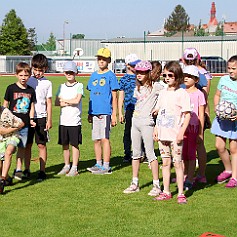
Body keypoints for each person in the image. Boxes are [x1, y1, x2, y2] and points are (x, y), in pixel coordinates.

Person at [123, 60, 164, 196]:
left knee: (151, 154)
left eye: (142, 72)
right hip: (135, 122)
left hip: (147, 123)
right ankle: (135, 183)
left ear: (148, 73)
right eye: (137, 72)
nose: (139, 75)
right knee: (135, 154)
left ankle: (156, 185)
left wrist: (158, 108)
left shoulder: (157, 87)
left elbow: (167, 95)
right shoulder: (137, 87)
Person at [153, 61, 191, 204]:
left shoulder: (182, 93)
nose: (167, 78)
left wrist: (181, 132)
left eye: (171, 75)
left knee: (178, 163)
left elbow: (187, 114)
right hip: (163, 134)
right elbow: (159, 112)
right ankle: (166, 191)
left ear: (177, 76)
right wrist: (156, 129)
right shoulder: (162, 93)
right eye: (165, 75)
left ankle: (181, 193)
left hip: (176, 135)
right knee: (166, 162)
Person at [86, 48, 119, 174]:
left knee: (105, 138)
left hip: (105, 112)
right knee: (96, 139)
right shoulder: (94, 75)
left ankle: (106, 166)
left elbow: (114, 96)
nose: (101, 61)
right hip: (94, 112)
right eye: (99, 59)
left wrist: (114, 114)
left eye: (104, 59)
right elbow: (91, 95)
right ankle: (98, 163)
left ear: (109, 61)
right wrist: (90, 112)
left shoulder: (111, 76)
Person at [182, 47, 212, 184]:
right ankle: (188, 175)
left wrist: (205, 115)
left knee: (197, 145)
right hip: (184, 121)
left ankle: (199, 175)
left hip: (195, 121)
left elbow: (204, 98)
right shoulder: (186, 75)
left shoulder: (199, 75)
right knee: (186, 149)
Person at [3, 62, 36, 181]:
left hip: (25, 125)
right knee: (9, 149)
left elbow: (32, 106)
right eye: (21, 75)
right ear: (16, 75)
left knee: (22, 147)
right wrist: (4, 120)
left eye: (26, 75)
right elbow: (5, 105)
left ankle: (18, 169)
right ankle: (4, 175)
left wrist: (31, 119)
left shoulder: (31, 90)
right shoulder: (11, 88)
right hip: (12, 124)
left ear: (29, 76)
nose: (23, 78)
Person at [211, 55, 237, 188]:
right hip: (221, 119)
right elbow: (217, 95)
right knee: (219, 146)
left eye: (234, 69)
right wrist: (216, 107)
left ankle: (234, 178)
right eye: (229, 68)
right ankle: (228, 169)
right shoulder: (223, 79)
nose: (231, 71)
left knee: (234, 149)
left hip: (235, 121)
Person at [26, 54, 52, 181]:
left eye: (40, 70)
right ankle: (26, 170)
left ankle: (42, 171)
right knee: (27, 144)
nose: (37, 73)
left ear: (45, 69)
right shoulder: (27, 80)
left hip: (41, 117)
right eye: (35, 69)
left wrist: (49, 119)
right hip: (27, 117)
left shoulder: (47, 83)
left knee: (41, 145)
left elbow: (49, 102)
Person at [55, 61, 83, 176]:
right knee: (65, 145)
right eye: (67, 72)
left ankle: (74, 167)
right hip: (64, 120)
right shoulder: (61, 87)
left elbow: (77, 100)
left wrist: (65, 101)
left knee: (74, 145)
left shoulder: (79, 86)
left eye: (71, 72)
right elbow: (57, 102)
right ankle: (66, 165)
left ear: (75, 72)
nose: (69, 74)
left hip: (74, 121)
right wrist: (69, 101)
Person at [182, 65, 206, 190]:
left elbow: (201, 114)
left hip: (193, 128)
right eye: (185, 76)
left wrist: (200, 133)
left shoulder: (199, 94)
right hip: (182, 128)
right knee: (183, 154)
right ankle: (185, 175)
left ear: (196, 79)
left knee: (191, 155)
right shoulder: (181, 92)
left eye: (190, 76)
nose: (186, 78)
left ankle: (190, 179)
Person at [118, 53, 141, 163]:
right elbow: (120, 96)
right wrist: (120, 112)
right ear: (128, 65)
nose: (136, 67)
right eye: (134, 65)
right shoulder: (124, 80)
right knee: (128, 132)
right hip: (129, 109)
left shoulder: (140, 77)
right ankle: (127, 153)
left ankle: (141, 153)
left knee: (141, 131)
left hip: (141, 109)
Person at [0, 106, 25, 194]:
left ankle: (2, 180)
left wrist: (17, 127)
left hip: (13, 136)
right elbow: (2, 131)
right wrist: (15, 127)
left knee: (9, 152)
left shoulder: (6, 112)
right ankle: (7, 179)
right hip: (2, 137)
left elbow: (21, 123)